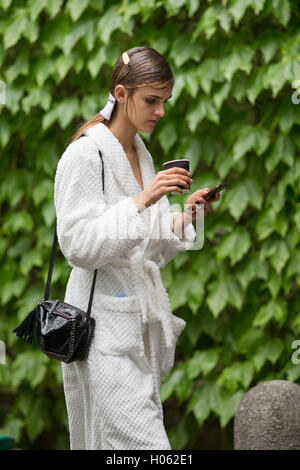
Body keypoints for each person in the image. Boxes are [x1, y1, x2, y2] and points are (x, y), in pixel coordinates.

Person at [54, 46, 220, 450]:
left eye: (165, 101)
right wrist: (141, 201)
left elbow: (150, 247)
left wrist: (187, 215)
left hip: (137, 329)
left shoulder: (141, 157)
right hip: (101, 332)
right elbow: (75, 245)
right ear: (121, 94)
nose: (161, 111)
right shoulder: (84, 155)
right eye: (152, 100)